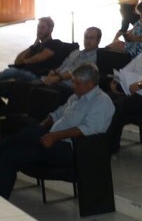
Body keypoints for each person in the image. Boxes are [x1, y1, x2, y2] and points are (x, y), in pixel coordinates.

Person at [0, 63, 114, 200]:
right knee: (10, 154)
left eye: (77, 83)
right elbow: (57, 114)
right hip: (53, 142)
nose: (73, 86)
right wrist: (42, 127)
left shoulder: (102, 102)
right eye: (73, 82)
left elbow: (88, 130)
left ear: (90, 84)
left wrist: (54, 136)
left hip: (74, 150)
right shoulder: (76, 97)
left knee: (25, 134)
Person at [0, 17, 71, 83]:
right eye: (38, 27)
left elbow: (40, 57)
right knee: (8, 77)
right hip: (25, 72)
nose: (39, 30)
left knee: (11, 72)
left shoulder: (55, 43)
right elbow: (17, 61)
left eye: (42, 27)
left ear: (50, 29)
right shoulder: (36, 46)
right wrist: (32, 47)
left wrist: (24, 61)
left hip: (38, 76)